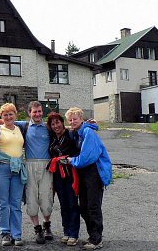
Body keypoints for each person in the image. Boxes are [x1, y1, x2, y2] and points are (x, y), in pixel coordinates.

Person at [65, 107, 112, 250]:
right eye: (70, 119)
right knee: (84, 207)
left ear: (81, 119)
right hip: (84, 173)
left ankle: (97, 239)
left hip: (94, 172)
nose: (73, 122)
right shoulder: (78, 132)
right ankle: (93, 236)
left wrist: (71, 160)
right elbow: (69, 129)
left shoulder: (87, 132)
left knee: (93, 206)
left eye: (75, 119)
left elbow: (87, 157)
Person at [15, 101, 53, 244]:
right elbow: (5, 119)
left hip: (46, 166)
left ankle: (47, 225)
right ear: (29, 113)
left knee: (46, 198)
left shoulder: (48, 127)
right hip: (30, 164)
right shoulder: (23, 126)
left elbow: (65, 127)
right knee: (31, 199)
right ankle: (37, 229)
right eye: (34, 112)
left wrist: (86, 124)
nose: (37, 114)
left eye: (39, 111)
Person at [0, 103, 27, 247]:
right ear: (1, 117)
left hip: (18, 169)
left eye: (10, 114)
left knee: (16, 203)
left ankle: (17, 234)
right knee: (2, 203)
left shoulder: (21, 128)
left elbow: (42, 124)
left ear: (15, 115)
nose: (8, 117)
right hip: (2, 168)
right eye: (5, 114)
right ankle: (5, 233)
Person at [46, 112, 81, 246]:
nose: (56, 126)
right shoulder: (52, 138)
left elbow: (82, 131)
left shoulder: (71, 134)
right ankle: (66, 231)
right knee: (63, 204)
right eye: (53, 124)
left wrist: (90, 124)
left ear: (62, 122)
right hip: (58, 175)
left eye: (58, 122)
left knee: (72, 203)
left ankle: (74, 233)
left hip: (70, 173)